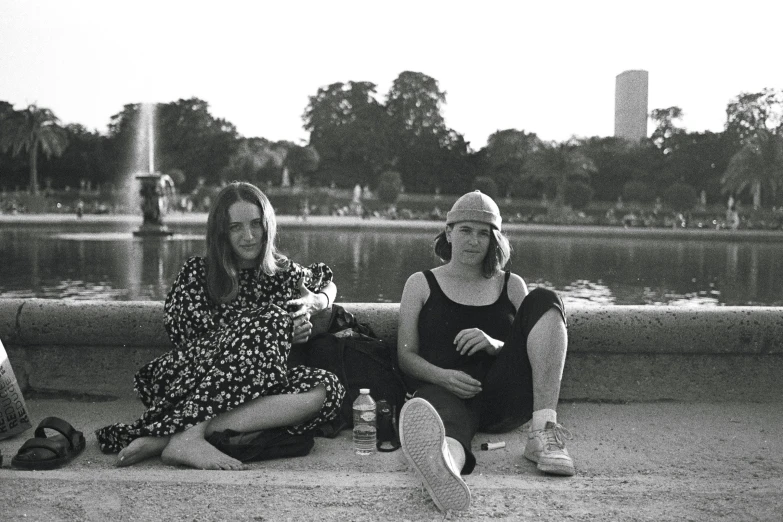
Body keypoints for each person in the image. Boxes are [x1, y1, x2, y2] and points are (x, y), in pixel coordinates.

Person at [96, 181, 344, 470]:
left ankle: (171, 438)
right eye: (236, 227)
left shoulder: (281, 273)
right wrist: (276, 333)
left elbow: (327, 282)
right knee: (274, 319)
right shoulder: (197, 274)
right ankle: (188, 434)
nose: (249, 236)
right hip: (193, 382)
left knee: (328, 388)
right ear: (221, 232)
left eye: (255, 224)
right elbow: (191, 346)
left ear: (267, 226)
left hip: (257, 388)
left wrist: (318, 303)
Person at [396, 190, 573, 513]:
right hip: (444, 391)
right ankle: (445, 469)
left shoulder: (511, 284)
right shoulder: (420, 284)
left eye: (483, 233)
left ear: (494, 240)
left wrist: (496, 345)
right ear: (448, 232)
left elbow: (534, 342)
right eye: (465, 230)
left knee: (546, 299)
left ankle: (543, 435)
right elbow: (406, 356)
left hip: (501, 396)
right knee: (443, 422)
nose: (474, 241)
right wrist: (444, 377)